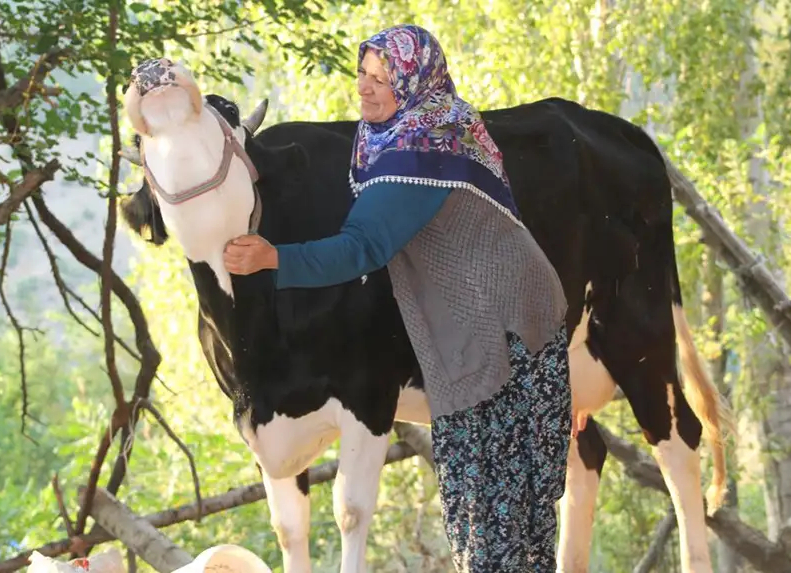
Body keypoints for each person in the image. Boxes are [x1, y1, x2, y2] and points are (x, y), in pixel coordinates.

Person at [223, 24, 571, 571]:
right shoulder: (438, 122)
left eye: (382, 78)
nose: (364, 87)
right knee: (510, 515)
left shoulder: (418, 154)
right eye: (362, 72)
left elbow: (363, 246)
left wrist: (274, 259)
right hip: (517, 315)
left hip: (499, 338)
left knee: (492, 516)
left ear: (413, 81)